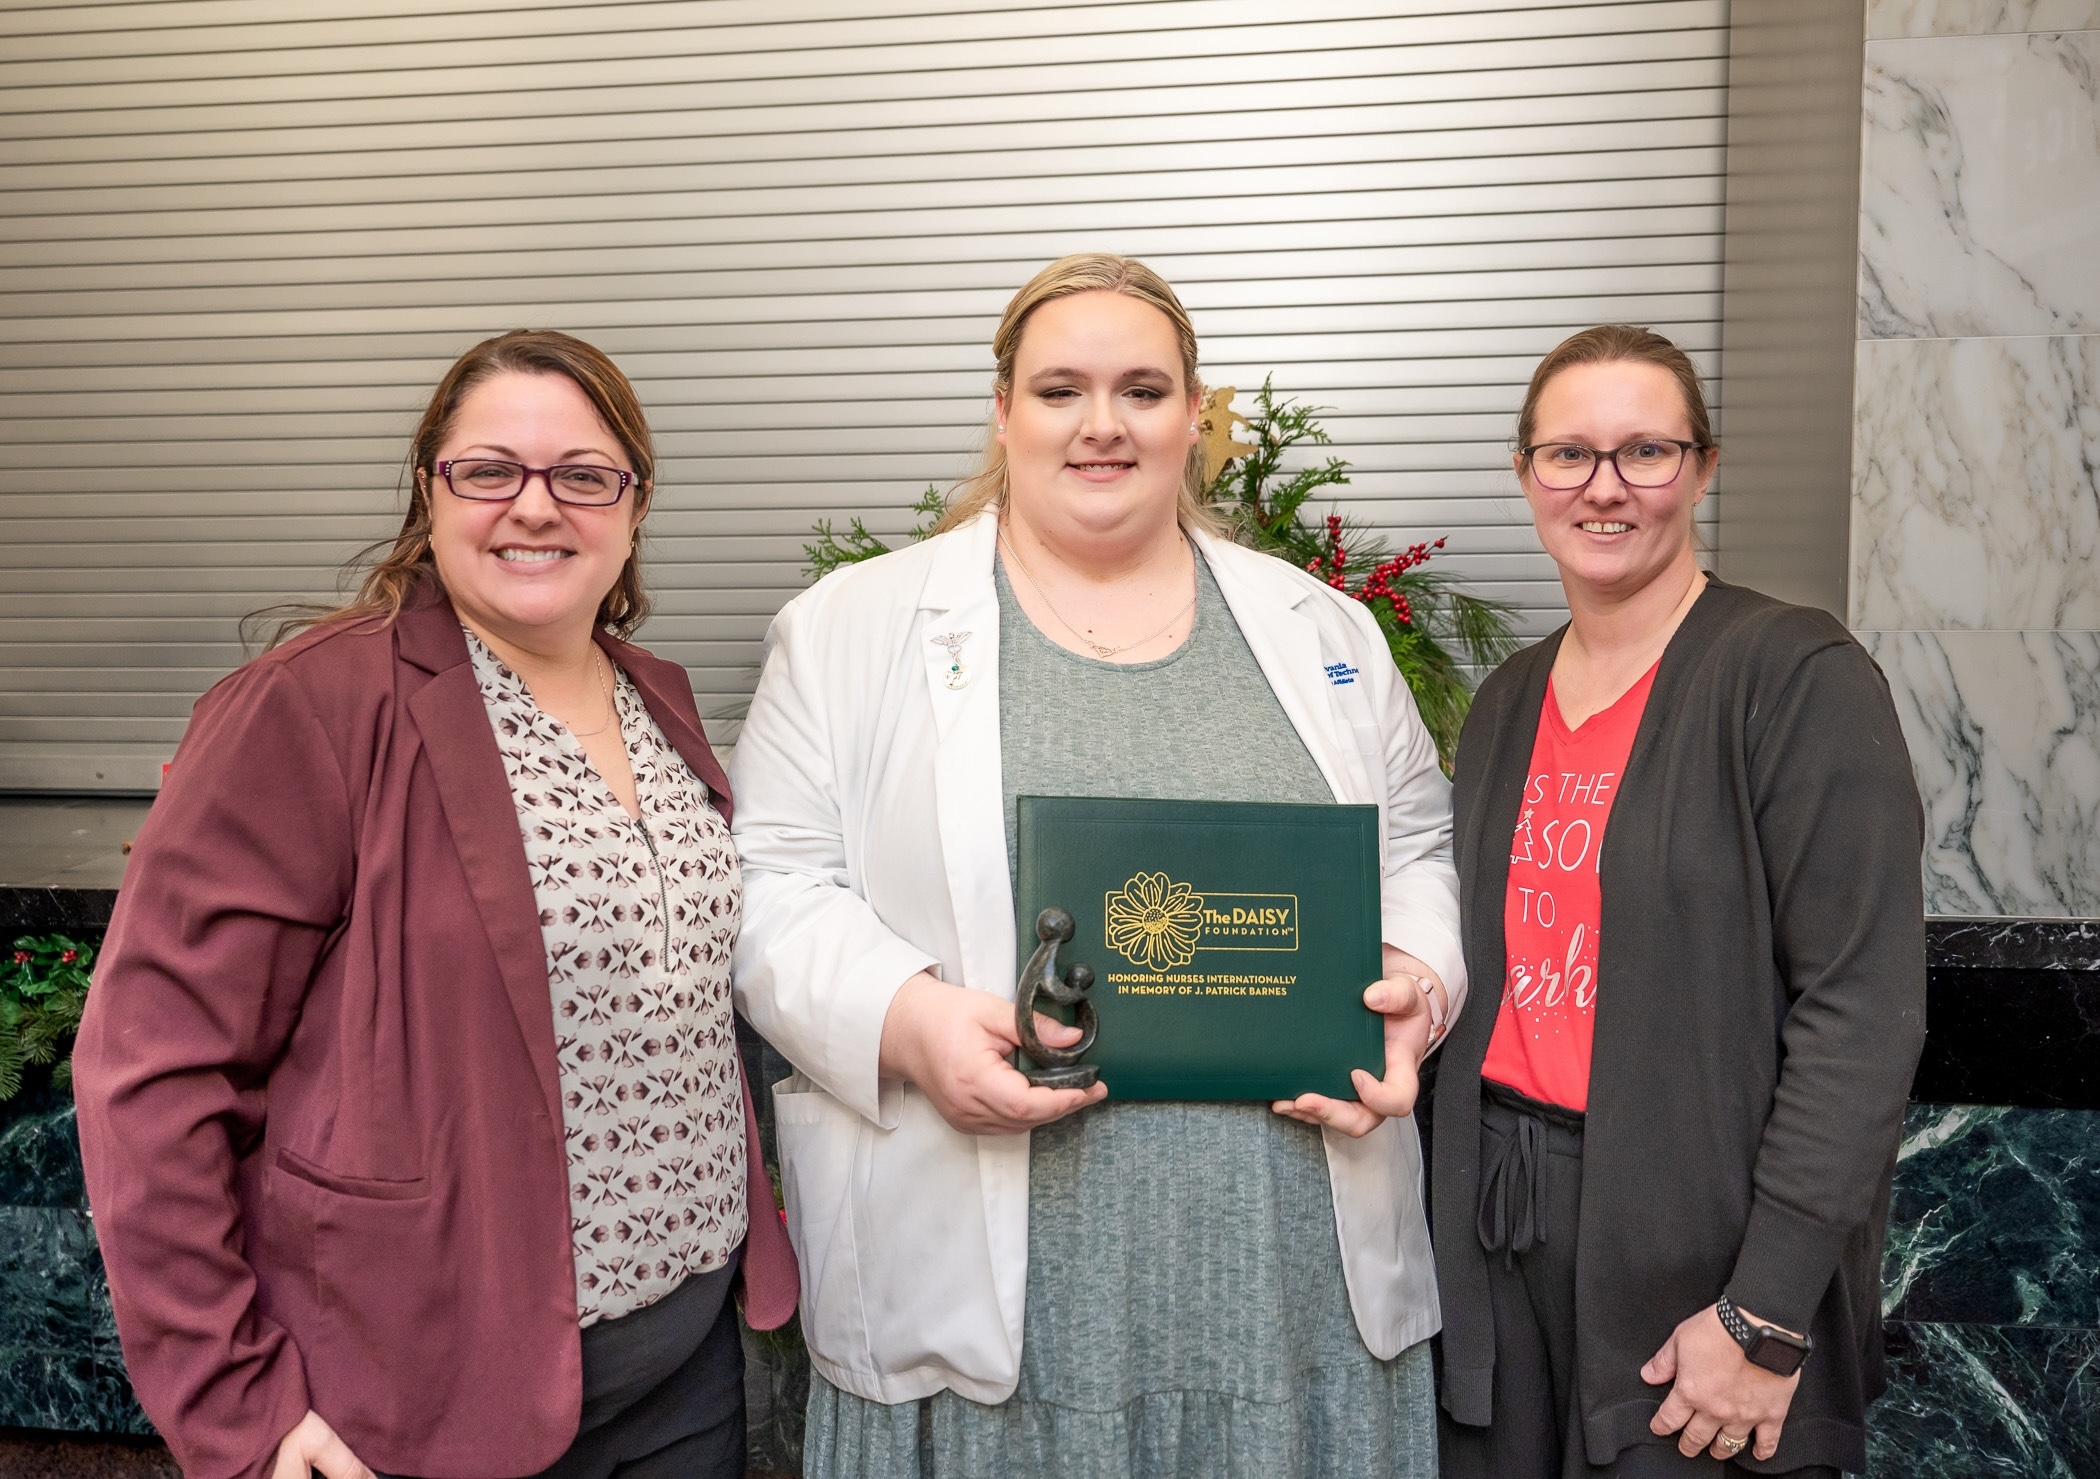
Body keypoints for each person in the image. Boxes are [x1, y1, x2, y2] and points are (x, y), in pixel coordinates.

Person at [728, 253, 1466, 1478]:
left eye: (1143, 389)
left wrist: (1411, 986)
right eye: (1061, 389)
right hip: (990, 1305)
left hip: (1295, 1291)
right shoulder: (851, 629)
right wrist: (906, 1024)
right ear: (1003, 412)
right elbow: (770, 886)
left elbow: (1419, 844)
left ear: (1194, 417)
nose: (1103, 425)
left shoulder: (1320, 630)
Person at [72, 330, 796, 1479]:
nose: (535, 507)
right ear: (430, 489)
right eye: (490, 470)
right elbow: (150, 1077)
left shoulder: (658, 695)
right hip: (425, 1391)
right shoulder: (310, 707)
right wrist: (239, 1406)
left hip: (687, 1371)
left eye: (582, 475)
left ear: (635, 503)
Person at [1430, 324, 1926, 1478]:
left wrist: (1765, 1311)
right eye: (1569, 455)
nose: (1605, 489)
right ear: (1525, 474)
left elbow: (1861, 1013)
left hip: (1700, 1264)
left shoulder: (1792, 675)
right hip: (1502, 1242)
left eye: (1645, 452)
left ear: (1703, 466)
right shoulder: (1505, 701)